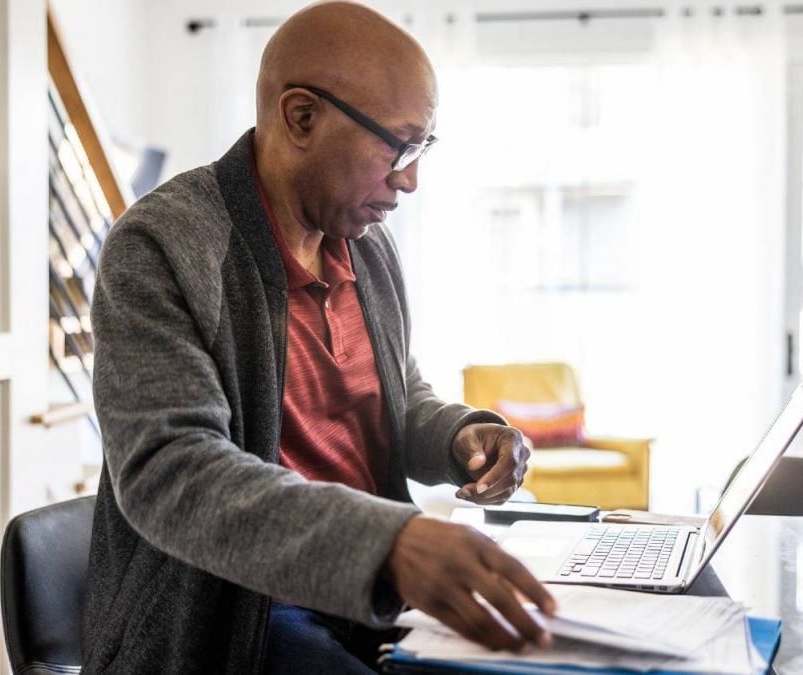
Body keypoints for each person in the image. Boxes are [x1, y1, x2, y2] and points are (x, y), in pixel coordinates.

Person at [81, 2, 557, 672]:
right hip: (237, 616)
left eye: (424, 148)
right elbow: (171, 470)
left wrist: (459, 435)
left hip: (368, 599)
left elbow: (396, 399)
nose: (410, 179)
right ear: (301, 116)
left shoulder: (368, 247)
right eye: (400, 144)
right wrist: (390, 542)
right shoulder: (162, 244)